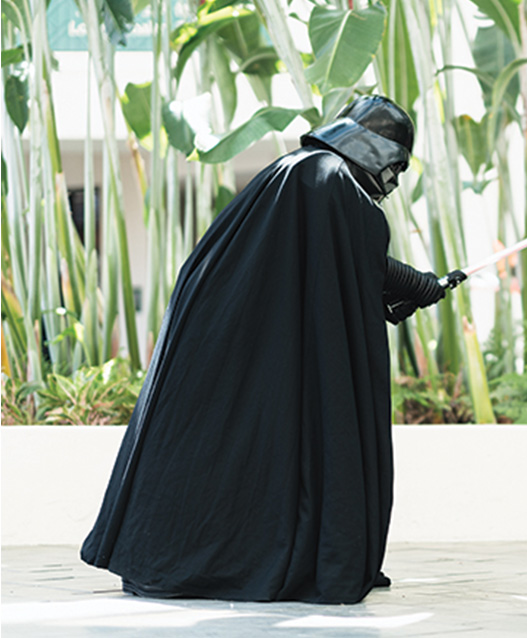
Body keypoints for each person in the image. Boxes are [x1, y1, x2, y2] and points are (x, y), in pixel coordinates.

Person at [80, 95, 463, 604]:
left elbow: (338, 269)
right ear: (377, 152)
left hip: (224, 336)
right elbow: (358, 260)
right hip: (252, 341)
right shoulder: (332, 183)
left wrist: (413, 288)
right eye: (394, 164)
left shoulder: (297, 170)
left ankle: (167, 554)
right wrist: (418, 285)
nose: (392, 181)